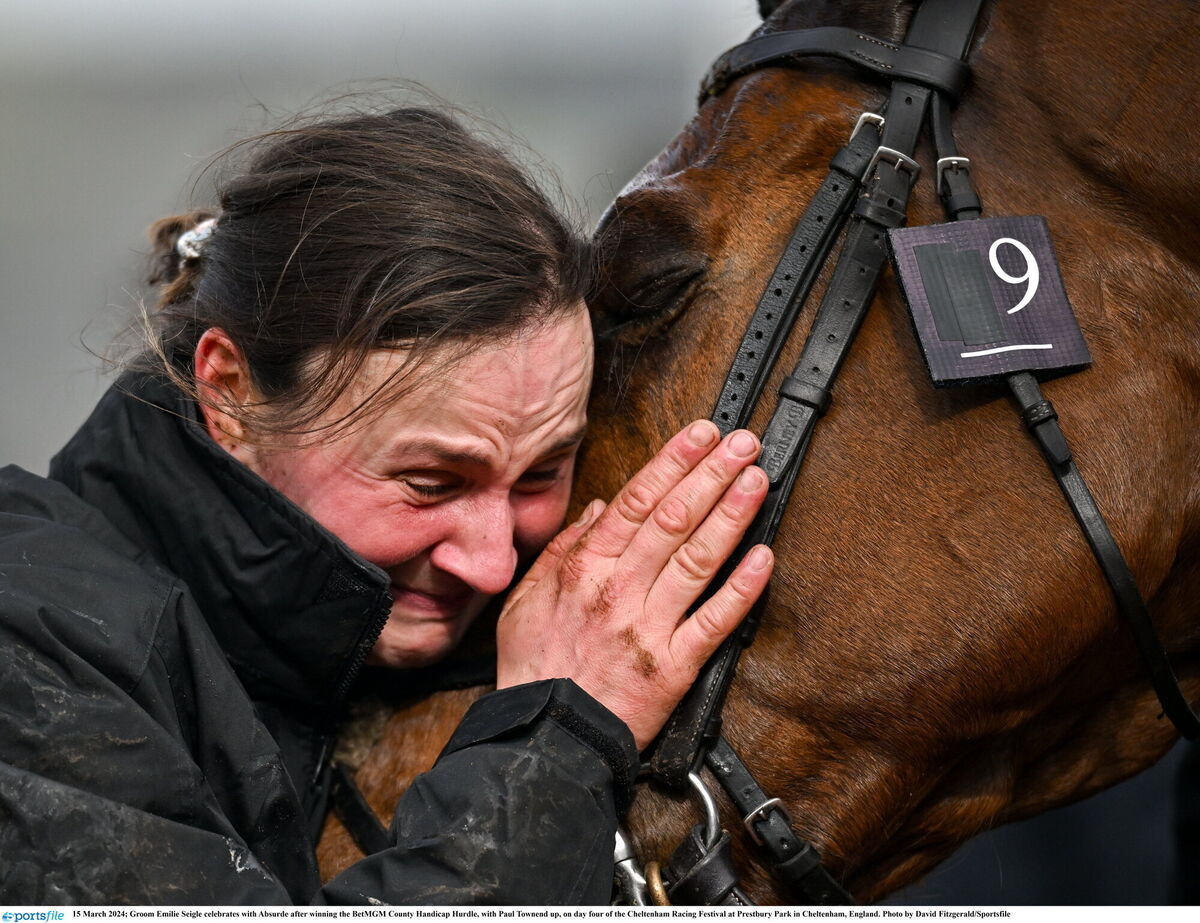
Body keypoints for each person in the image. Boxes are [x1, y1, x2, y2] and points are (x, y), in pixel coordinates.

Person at [0, 105, 772, 903]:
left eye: (544, 472)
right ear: (229, 394)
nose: (493, 561)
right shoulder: (29, 642)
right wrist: (557, 741)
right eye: (430, 483)